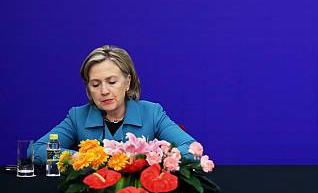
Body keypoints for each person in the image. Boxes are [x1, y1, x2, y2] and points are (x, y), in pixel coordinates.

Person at [30, 45, 197, 164]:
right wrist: (82, 158)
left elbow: (191, 148)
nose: (104, 91)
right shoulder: (77, 116)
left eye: (111, 82)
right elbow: (37, 150)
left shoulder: (152, 113)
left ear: (127, 82)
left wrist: (151, 158)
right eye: (95, 84)